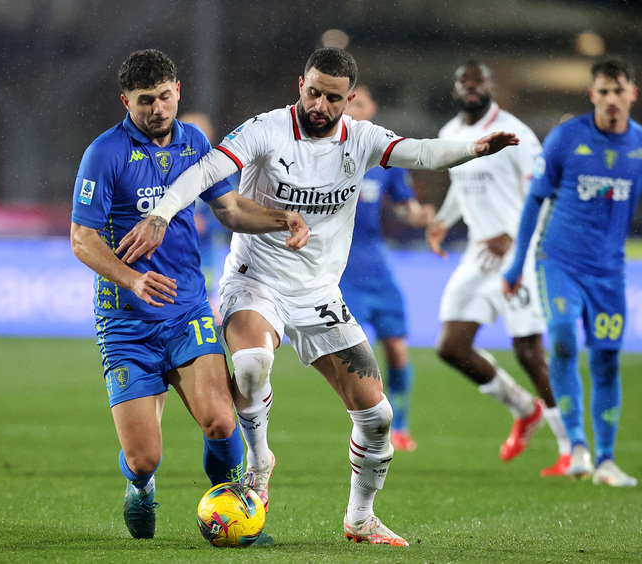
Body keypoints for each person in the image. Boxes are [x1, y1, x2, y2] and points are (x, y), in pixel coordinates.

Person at [116, 47, 518, 546]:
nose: (320, 105)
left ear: (349, 99)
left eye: (333, 97)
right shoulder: (266, 128)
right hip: (254, 279)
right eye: (313, 92)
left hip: (319, 293)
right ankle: (259, 460)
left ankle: (360, 517)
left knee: (377, 416)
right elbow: (204, 170)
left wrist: (474, 149)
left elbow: (421, 151)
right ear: (299, 85)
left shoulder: (364, 140)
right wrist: (161, 214)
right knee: (251, 364)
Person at [69, 48, 309, 540]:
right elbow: (82, 238)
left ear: (177, 91)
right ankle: (140, 487)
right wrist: (132, 279)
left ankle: (240, 510)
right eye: (144, 101)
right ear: (125, 102)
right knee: (143, 457)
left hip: (186, 312)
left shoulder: (194, 141)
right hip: (127, 322)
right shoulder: (104, 154)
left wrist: (280, 217)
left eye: (163, 97)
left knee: (222, 422)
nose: (157, 109)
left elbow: (229, 209)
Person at [503, 57, 642, 487]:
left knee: (605, 361)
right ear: (592, 96)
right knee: (562, 337)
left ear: (632, 94)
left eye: (619, 91)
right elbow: (534, 203)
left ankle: (605, 460)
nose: (611, 100)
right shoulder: (566, 138)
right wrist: (516, 264)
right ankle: (576, 445)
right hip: (559, 262)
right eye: (603, 92)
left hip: (609, 273)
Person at [426, 60, 571, 476]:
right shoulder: (450, 135)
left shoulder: (517, 135)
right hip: (478, 252)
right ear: (456, 88)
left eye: (480, 81)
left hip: (518, 253)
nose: (472, 88)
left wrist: (513, 235)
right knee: (451, 347)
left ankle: (570, 447)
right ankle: (525, 409)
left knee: (529, 352)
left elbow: (544, 192)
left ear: (492, 86)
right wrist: (442, 220)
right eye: (465, 81)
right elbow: (460, 183)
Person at [339, 84, 436, 453]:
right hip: (343, 269)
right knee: (358, 356)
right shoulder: (328, 155)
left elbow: (403, 206)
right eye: (346, 104)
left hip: (376, 267)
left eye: (358, 103)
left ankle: (403, 427)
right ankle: (368, 425)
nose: (351, 110)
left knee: (397, 349)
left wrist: (417, 215)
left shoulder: (385, 157)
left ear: (372, 108)